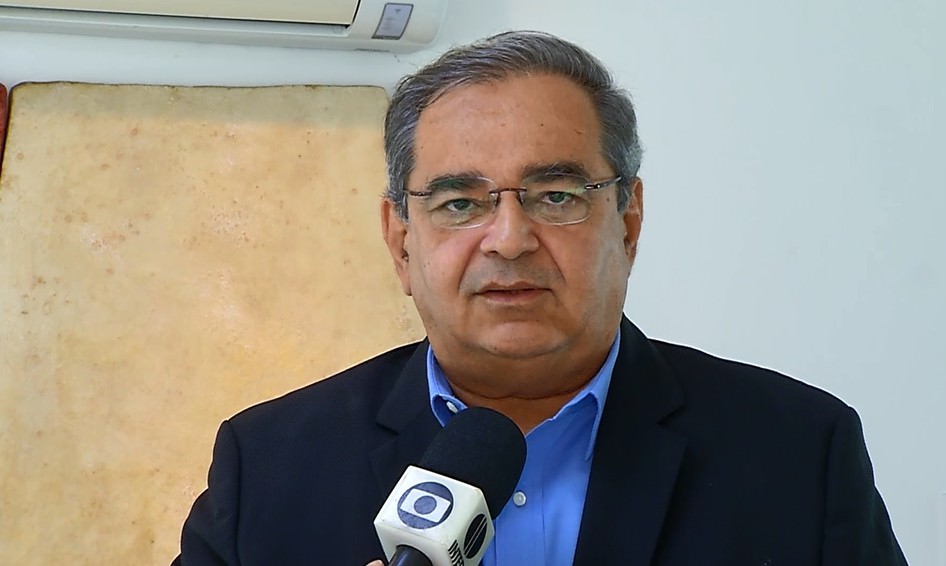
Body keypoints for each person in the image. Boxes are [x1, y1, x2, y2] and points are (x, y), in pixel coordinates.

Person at [174, 31, 908, 565]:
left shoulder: (799, 453)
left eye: (556, 195)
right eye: (460, 203)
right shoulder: (268, 464)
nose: (508, 239)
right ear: (401, 242)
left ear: (628, 222)